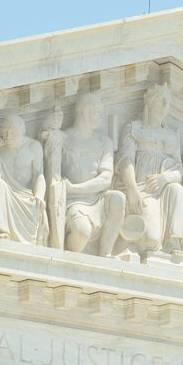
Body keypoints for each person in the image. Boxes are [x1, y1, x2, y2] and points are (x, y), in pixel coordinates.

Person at [115, 84, 183, 265]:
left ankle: (175, 243)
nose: (165, 106)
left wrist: (165, 178)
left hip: (164, 191)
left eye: (168, 102)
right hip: (141, 189)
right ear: (149, 102)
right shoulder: (133, 128)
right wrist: (132, 189)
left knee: (177, 189)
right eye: (161, 101)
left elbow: (179, 170)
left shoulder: (172, 136)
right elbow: (125, 161)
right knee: (151, 239)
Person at [45, 98, 125, 255]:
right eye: (96, 112)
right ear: (83, 111)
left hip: (96, 199)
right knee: (82, 231)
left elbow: (106, 179)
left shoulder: (104, 142)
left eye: (101, 113)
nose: (100, 116)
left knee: (118, 198)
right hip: (73, 202)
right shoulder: (63, 138)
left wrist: (74, 188)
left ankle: (105, 254)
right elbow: (51, 172)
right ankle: (70, 262)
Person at [0, 114, 48, 245]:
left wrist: (40, 195)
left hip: (25, 197)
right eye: (5, 131)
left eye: (13, 130)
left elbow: (39, 175)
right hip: (2, 196)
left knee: (35, 203)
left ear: (22, 131)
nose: (8, 135)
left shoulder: (33, 146)